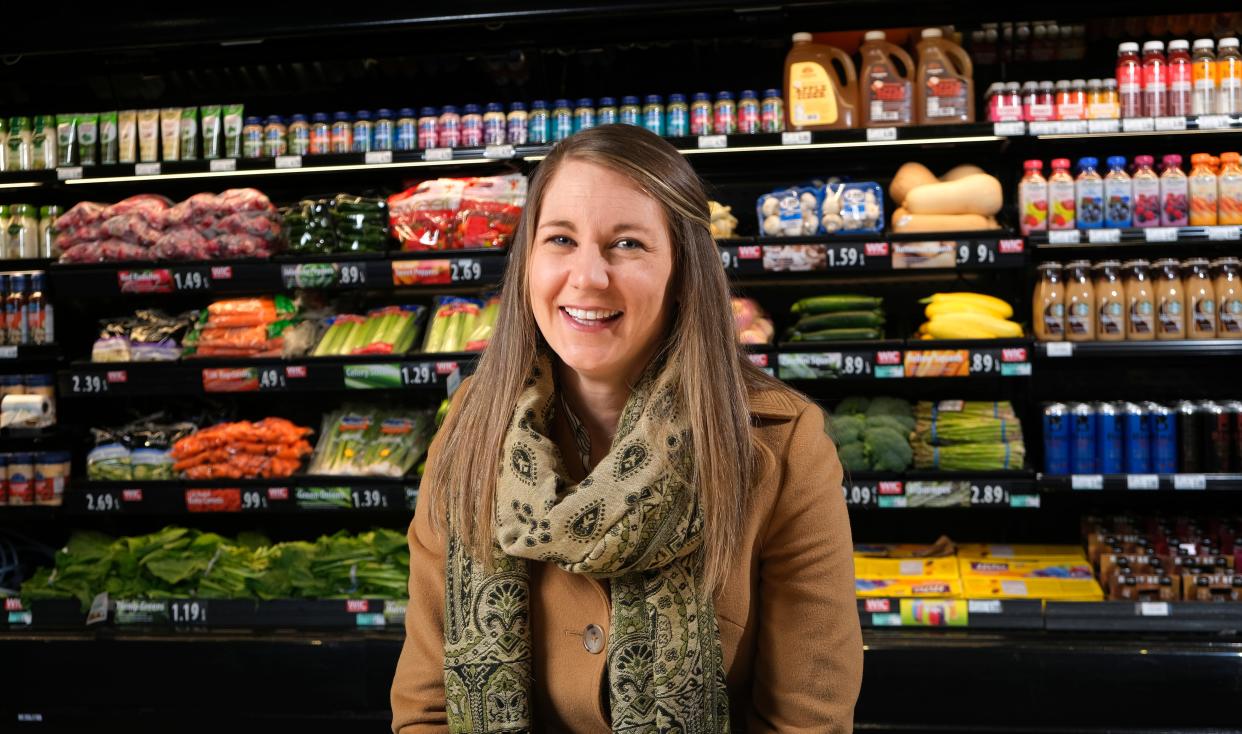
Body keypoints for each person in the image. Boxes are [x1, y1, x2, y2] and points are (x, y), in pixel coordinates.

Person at [391, 124, 861, 733]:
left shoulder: (779, 442)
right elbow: (427, 711)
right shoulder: (471, 436)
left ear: (682, 268)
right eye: (560, 238)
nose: (587, 276)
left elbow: (808, 722)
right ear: (528, 259)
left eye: (628, 245)